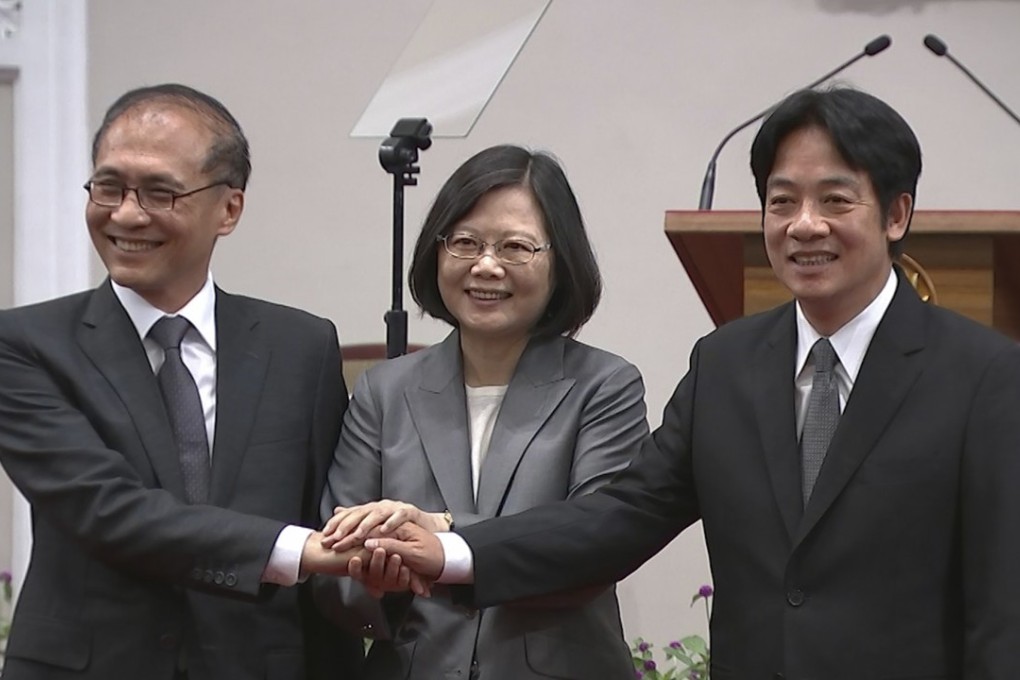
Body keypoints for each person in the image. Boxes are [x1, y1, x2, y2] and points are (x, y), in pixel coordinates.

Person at [355, 88, 1020, 678]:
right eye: (781, 201)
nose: (804, 224)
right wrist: (451, 548)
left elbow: (1002, 606)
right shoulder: (725, 365)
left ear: (897, 214)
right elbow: (621, 516)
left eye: (835, 200)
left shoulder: (982, 375)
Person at [0, 84, 368, 680]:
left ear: (229, 209)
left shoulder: (300, 346)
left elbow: (329, 513)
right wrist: (301, 550)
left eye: (159, 192)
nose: (125, 213)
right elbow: (106, 509)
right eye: (109, 186)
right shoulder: (25, 344)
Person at [317, 144, 649, 680]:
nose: (486, 265)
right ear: (437, 252)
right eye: (466, 242)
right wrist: (368, 577)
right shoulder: (383, 390)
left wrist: (441, 535)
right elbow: (333, 562)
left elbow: (595, 544)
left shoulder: (604, 386)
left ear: (560, 261)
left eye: (516, 247)